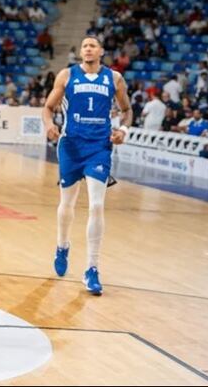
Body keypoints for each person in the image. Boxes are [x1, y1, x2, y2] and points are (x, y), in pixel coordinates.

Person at [43, 36, 132, 295]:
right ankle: (62, 245)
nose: (88, 49)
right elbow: (48, 108)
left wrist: (123, 129)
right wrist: (49, 125)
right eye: (84, 46)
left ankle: (92, 268)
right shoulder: (67, 75)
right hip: (71, 145)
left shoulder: (114, 79)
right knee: (67, 204)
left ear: (101, 51)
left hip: (99, 147)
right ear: (80, 52)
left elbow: (127, 110)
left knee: (96, 204)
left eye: (93, 45)